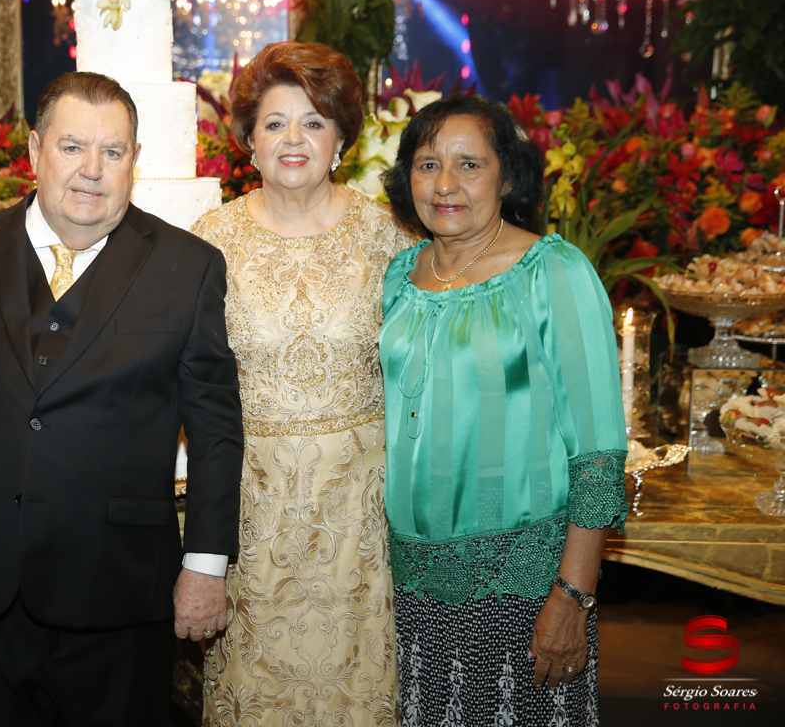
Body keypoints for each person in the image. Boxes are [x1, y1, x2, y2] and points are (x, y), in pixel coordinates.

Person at [0, 71, 244, 726]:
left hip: (119, 589)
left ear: (134, 162)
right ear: (35, 150)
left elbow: (215, 428)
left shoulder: (188, 267)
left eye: (113, 152)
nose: (93, 170)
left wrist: (206, 565)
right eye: (72, 147)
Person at [378, 94, 628, 726]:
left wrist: (573, 594)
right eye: (427, 164)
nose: (445, 184)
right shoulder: (398, 277)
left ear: (507, 176)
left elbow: (598, 451)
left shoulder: (553, 273)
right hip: (410, 584)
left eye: (469, 164)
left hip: (524, 583)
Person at [191, 41, 414, 726]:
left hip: (361, 520)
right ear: (248, 141)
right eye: (275, 122)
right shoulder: (209, 242)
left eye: (314, 122)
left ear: (341, 139)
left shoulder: (392, 238)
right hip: (254, 513)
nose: (295, 139)